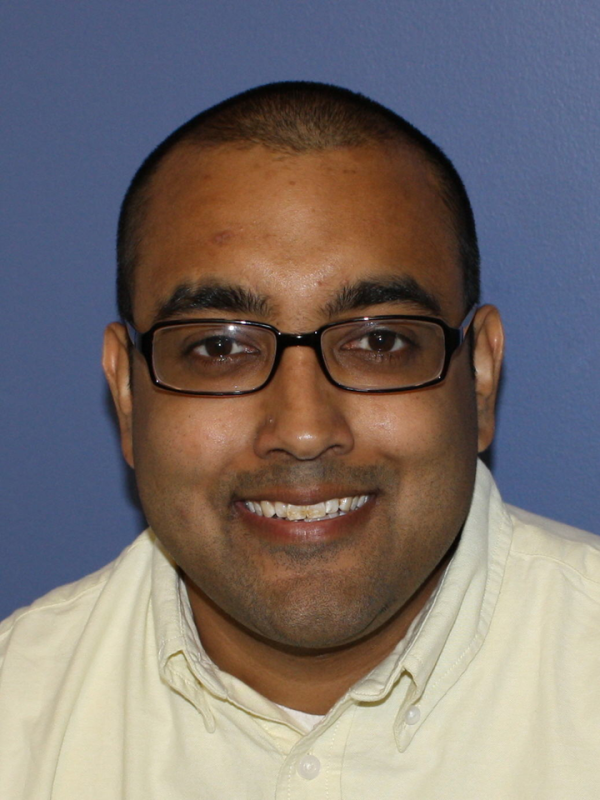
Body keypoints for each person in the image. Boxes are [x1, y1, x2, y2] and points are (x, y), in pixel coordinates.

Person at [1, 81, 598, 799]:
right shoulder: (19, 719)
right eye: (219, 348)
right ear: (128, 396)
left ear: (478, 378)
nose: (306, 429)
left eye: (379, 340)